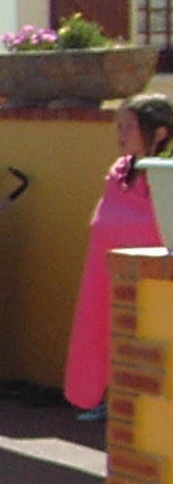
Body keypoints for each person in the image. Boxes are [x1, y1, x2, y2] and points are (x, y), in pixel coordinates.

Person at [65, 94, 173, 418]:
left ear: (159, 132)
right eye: (119, 126)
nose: (120, 134)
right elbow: (106, 221)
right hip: (113, 278)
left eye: (130, 127)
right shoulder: (119, 171)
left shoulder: (167, 175)